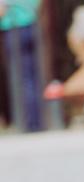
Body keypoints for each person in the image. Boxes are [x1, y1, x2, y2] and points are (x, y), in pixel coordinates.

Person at [0, 0, 43, 132]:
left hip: (14, 28)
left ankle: (27, 122)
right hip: (31, 26)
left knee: (20, 77)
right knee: (32, 77)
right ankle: (36, 121)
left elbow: (1, 10)